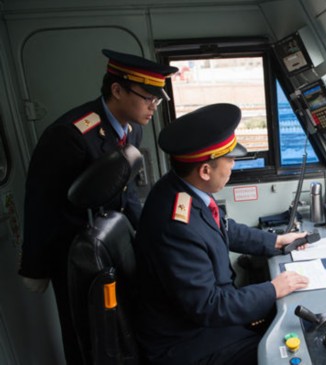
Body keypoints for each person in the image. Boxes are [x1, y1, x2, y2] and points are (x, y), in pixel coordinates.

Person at [19, 49, 178, 364]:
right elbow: (40, 201)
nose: (153, 106)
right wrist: (34, 267)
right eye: (147, 97)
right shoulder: (71, 136)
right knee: (84, 334)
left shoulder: (133, 128)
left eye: (157, 100)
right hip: (73, 252)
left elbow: (126, 187)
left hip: (112, 241)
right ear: (117, 90)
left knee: (118, 328)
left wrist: (146, 235)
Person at [134, 103, 310, 365]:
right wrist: (273, 288)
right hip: (187, 343)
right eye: (229, 159)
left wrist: (276, 241)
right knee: (290, 353)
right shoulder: (175, 225)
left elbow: (224, 227)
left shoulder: (181, 189)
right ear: (205, 171)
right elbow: (209, 306)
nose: (233, 165)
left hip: (200, 324)